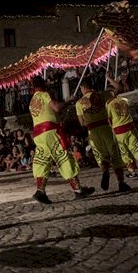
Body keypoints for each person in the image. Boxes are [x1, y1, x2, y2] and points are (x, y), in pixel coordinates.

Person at [30, 75, 95, 204]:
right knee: (63, 158)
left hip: (38, 135)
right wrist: (69, 100)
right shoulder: (44, 95)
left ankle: (40, 191)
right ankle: (78, 190)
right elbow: (56, 107)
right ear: (43, 85)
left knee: (43, 161)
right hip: (50, 132)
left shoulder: (32, 101)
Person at [75, 76, 131, 193]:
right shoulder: (102, 95)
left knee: (101, 156)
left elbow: (81, 123)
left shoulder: (79, 103)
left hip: (93, 131)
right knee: (114, 154)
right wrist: (108, 78)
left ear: (83, 88)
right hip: (105, 128)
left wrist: (90, 118)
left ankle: (105, 170)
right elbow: (119, 88)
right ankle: (121, 183)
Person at [105, 75, 138, 182]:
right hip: (130, 127)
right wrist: (109, 78)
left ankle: (132, 172)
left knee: (124, 152)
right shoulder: (124, 100)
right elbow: (119, 87)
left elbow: (109, 121)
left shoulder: (109, 104)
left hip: (119, 131)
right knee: (137, 150)